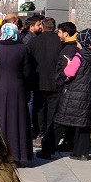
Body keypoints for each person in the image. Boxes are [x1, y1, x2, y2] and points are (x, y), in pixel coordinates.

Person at [54, 26, 91, 161]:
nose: (77, 44)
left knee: (60, 122)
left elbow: (69, 73)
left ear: (83, 41)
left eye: (78, 41)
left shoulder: (80, 55)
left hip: (75, 95)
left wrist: (68, 64)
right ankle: (81, 153)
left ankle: (48, 149)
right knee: (85, 124)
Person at [0, 23, 35, 164]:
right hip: (16, 88)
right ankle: (17, 155)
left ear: (2, 32)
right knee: (16, 120)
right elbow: (27, 71)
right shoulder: (22, 48)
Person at [27, 17, 64, 156]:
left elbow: (28, 59)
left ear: (42, 26)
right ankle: (50, 132)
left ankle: (41, 132)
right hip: (55, 81)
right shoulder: (59, 41)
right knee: (53, 109)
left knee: (39, 108)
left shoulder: (34, 40)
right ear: (54, 27)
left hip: (38, 80)